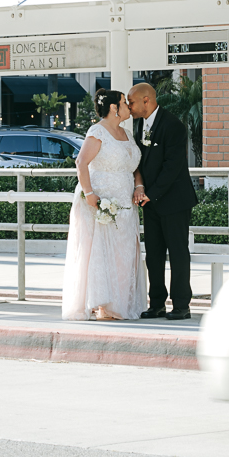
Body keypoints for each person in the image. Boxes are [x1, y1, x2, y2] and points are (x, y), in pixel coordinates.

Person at [61, 89, 148, 321]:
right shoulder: (97, 131)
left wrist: (139, 186)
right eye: (123, 102)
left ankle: (119, 303)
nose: (128, 106)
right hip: (101, 202)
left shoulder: (127, 134)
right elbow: (81, 162)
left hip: (125, 203)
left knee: (123, 253)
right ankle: (101, 304)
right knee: (100, 251)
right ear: (113, 108)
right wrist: (89, 194)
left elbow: (134, 166)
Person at [127, 82, 198, 320]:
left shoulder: (173, 125)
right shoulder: (139, 125)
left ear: (146, 100)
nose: (129, 106)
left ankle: (181, 305)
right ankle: (156, 303)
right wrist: (141, 189)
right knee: (153, 254)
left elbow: (172, 166)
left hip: (174, 200)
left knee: (178, 253)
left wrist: (150, 193)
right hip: (151, 202)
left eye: (132, 102)